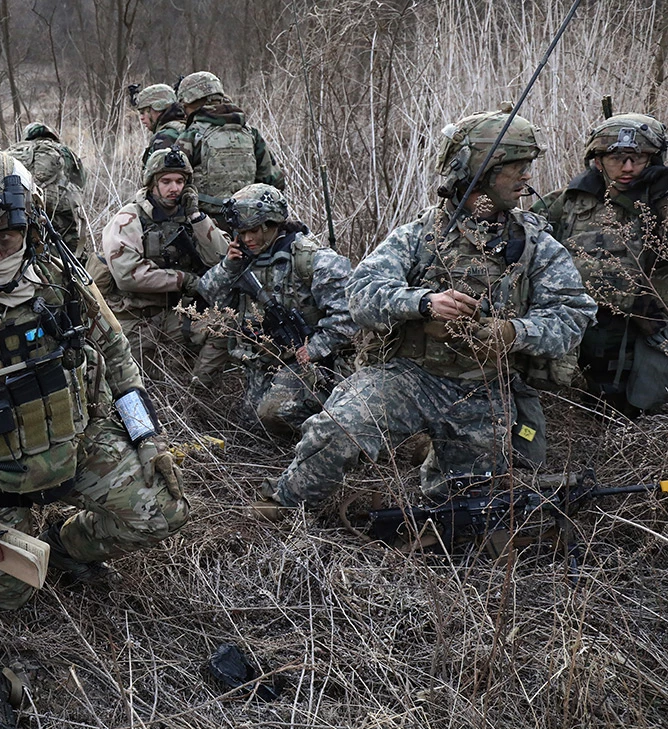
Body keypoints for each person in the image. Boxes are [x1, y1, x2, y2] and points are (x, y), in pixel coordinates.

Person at [0, 138, 187, 610]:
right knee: (10, 592)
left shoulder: (63, 280)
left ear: (31, 230)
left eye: (5, 239)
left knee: (164, 512)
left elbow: (119, 357)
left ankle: (65, 548)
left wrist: (147, 437)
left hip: (77, 445)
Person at [254, 109, 596, 515]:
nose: (526, 178)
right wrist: (423, 303)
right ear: (480, 172)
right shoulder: (421, 235)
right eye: (516, 168)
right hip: (411, 378)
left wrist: (512, 332)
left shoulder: (536, 244)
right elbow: (361, 293)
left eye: (528, 167)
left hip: (484, 389)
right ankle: (284, 503)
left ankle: (432, 469)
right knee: (339, 429)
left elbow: (573, 315)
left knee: (469, 507)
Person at [532, 113, 668, 413]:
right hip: (581, 329)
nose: (628, 167)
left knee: (645, 404)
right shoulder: (567, 202)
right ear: (597, 160)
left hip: (644, 331)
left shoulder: (660, 201)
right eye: (617, 158)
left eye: (639, 158)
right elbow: (527, 247)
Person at [197, 183, 357, 436]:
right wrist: (228, 266)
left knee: (274, 414)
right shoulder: (243, 258)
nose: (248, 239)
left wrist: (315, 348)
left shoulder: (311, 259)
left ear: (272, 224)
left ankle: (330, 430)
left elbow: (350, 313)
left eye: (254, 231)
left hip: (313, 362)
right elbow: (209, 294)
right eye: (242, 232)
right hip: (265, 360)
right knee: (252, 429)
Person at [98, 147, 230, 380]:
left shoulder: (191, 215)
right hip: (135, 317)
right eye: (166, 181)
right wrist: (184, 280)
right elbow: (127, 274)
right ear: (152, 184)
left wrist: (197, 218)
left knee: (224, 327)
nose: (175, 188)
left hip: (175, 315)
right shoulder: (129, 218)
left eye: (180, 181)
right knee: (126, 382)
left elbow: (222, 260)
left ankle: (197, 393)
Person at [175, 71, 285, 229]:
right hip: (249, 225)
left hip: (207, 227)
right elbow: (274, 181)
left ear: (189, 102)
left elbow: (174, 184)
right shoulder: (250, 132)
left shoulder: (191, 136)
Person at [7, 122, 90, 258]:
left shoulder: (12, 151)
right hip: (57, 207)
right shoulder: (63, 150)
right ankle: (75, 267)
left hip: (20, 206)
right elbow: (80, 180)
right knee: (71, 251)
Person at [131, 83, 185, 168]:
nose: (141, 118)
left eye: (143, 112)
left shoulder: (165, 136)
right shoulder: (183, 127)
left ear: (158, 108)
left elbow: (162, 178)